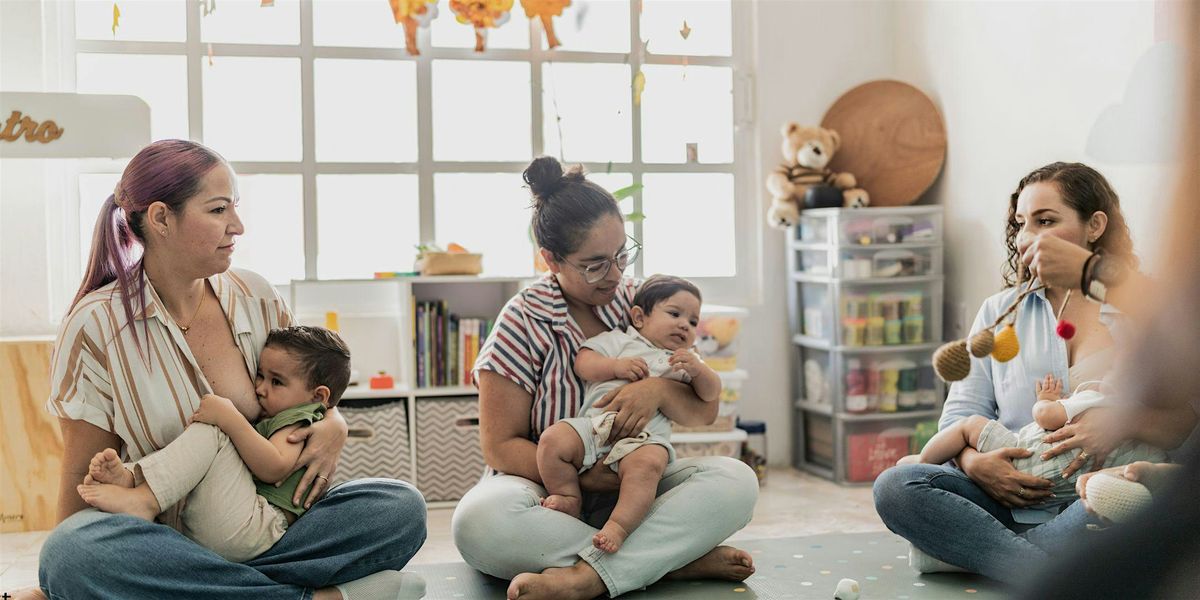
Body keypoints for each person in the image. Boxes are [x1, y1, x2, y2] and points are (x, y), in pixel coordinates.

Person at [34, 140, 427, 600]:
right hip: (164, 543)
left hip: (267, 529)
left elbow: (311, 388)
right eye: (219, 209)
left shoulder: (257, 296)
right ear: (161, 218)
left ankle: (208, 591)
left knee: (399, 507)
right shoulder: (96, 325)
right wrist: (57, 580)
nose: (237, 226)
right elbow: (80, 473)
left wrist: (334, 422)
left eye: (234, 208)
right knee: (72, 552)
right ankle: (310, 596)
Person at [872, 162, 1196, 584]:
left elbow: (1187, 425)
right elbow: (960, 416)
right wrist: (975, 463)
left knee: (1130, 501)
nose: (1027, 236)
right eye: (1021, 223)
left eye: (1045, 221)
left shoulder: (1141, 309)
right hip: (1002, 498)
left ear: (1095, 226)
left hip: (1093, 495)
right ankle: (1045, 571)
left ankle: (986, 555)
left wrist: (1120, 424)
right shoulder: (999, 312)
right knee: (896, 486)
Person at [451, 156, 758, 600]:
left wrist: (656, 390)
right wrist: (584, 477)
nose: (615, 274)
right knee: (478, 524)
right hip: (548, 490)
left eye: (620, 255)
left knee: (736, 480)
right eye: (595, 264)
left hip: (636, 480)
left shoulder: (643, 303)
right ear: (551, 259)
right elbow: (499, 446)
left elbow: (703, 413)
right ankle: (666, 561)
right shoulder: (522, 320)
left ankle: (587, 578)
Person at [538, 275, 722, 554]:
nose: (685, 324)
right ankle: (568, 496)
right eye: (674, 314)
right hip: (594, 427)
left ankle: (618, 527)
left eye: (693, 321)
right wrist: (615, 367)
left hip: (644, 440)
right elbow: (583, 362)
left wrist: (699, 370)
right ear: (639, 317)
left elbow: (710, 395)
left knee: (647, 467)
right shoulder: (620, 341)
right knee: (553, 440)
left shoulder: (684, 361)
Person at [901, 374, 1166, 507]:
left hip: (1022, 454)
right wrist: (971, 462)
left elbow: (1045, 417)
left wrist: (1047, 400)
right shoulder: (1153, 449)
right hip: (1051, 494)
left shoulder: (1095, 401)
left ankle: (922, 461)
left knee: (968, 426)